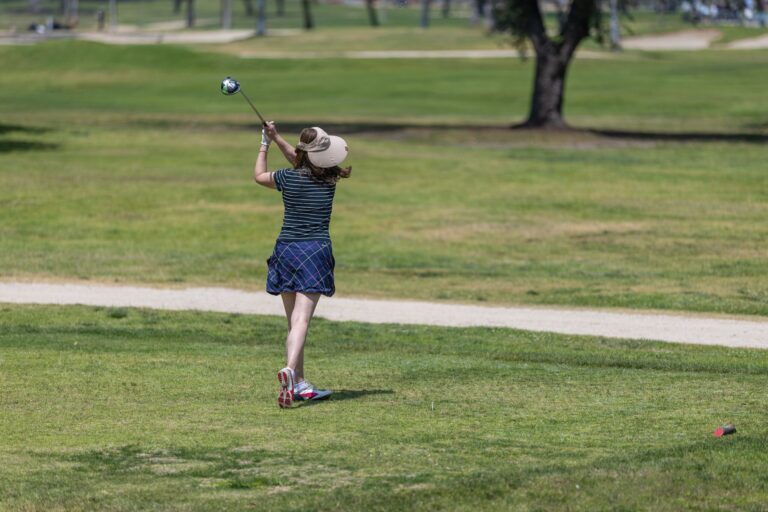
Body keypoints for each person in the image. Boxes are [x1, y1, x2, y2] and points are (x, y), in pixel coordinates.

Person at [254, 122, 351, 409]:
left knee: (292, 322)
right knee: (302, 320)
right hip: (315, 252)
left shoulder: (287, 178)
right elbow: (303, 161)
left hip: (286, 250)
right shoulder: (330, 179)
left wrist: (266, 143)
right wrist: (277, 138)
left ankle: (299, 382)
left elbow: (260, 176)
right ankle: (290, 371)